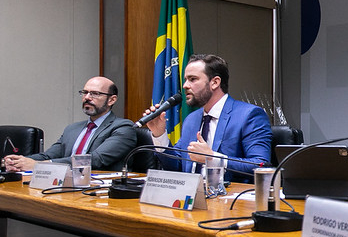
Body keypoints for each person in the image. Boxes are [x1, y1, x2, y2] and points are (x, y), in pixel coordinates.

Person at [144, 54, 271, 182]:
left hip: (230, 193)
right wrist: (159, 134)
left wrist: (212, 158)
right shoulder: (191, 119)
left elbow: (261, 165)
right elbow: (177, 166)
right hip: (191, 192)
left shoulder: (249, 115)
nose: (185, 85)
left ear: (215, 82)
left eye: (192, 79)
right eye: (186, 79)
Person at [4, 77, 136, 172]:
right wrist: (19, 162)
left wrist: (39, 165)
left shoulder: (123, 127)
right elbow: (48, 156)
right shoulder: (72, 129)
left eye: (95, 94)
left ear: (111, 100)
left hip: (99, 191)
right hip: (65, 184)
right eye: (85, 92)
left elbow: (96, 160)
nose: (87, 97)